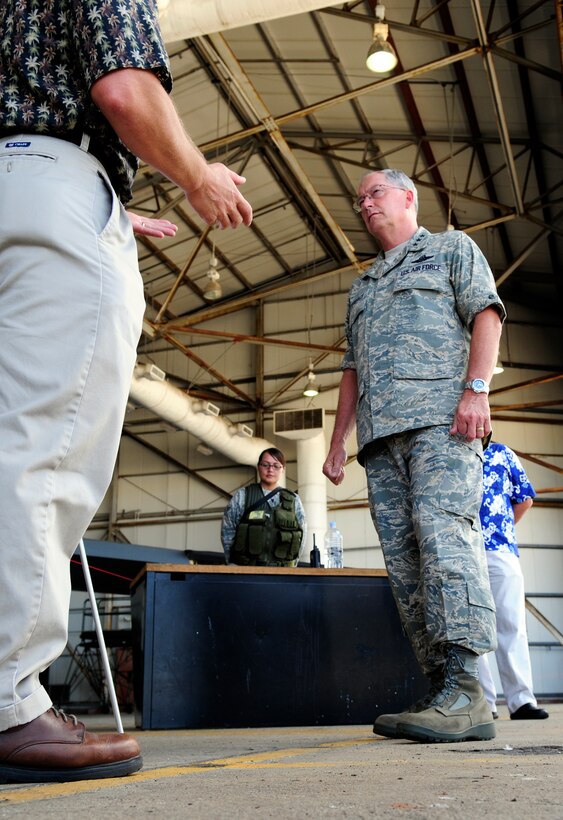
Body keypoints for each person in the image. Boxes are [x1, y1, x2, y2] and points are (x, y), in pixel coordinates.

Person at [0, 0, 252, 784]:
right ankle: (8, 702)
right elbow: (122, 90)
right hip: (57, 184)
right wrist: (197, 174)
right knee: (41, 452)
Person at [323, 169, 506, 743]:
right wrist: (336, 442)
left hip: (440, 423)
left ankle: (467, 689)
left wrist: (476, 390)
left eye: (374, 192)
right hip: (381, 440)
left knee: (445, 540)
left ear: (408, 197)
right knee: (406, 566)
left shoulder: (451, 249)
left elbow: (487, 313)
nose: (365, 203)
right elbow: (352, 369)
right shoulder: (364, 286)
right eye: (359, 199)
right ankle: (439, 685)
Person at [478, 442, 548, 720]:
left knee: (512, 624)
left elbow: (525, 498)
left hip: (501, 549)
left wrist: (500, 528)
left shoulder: (502, 453)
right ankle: (483, 703)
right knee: (473, 629)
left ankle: (521, 701)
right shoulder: (449, 451)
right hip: (461, 552)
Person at [221, 448, 307, 567]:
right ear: (258, 466)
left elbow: (302, 536)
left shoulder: (294, 500)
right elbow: (228, 531)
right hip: (247, 570)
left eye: (276, 466)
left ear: (283, 470)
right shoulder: (243, 496)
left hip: (283, 572)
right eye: (265, 464)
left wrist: (292, 566)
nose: (270, 469)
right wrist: (232, 563)